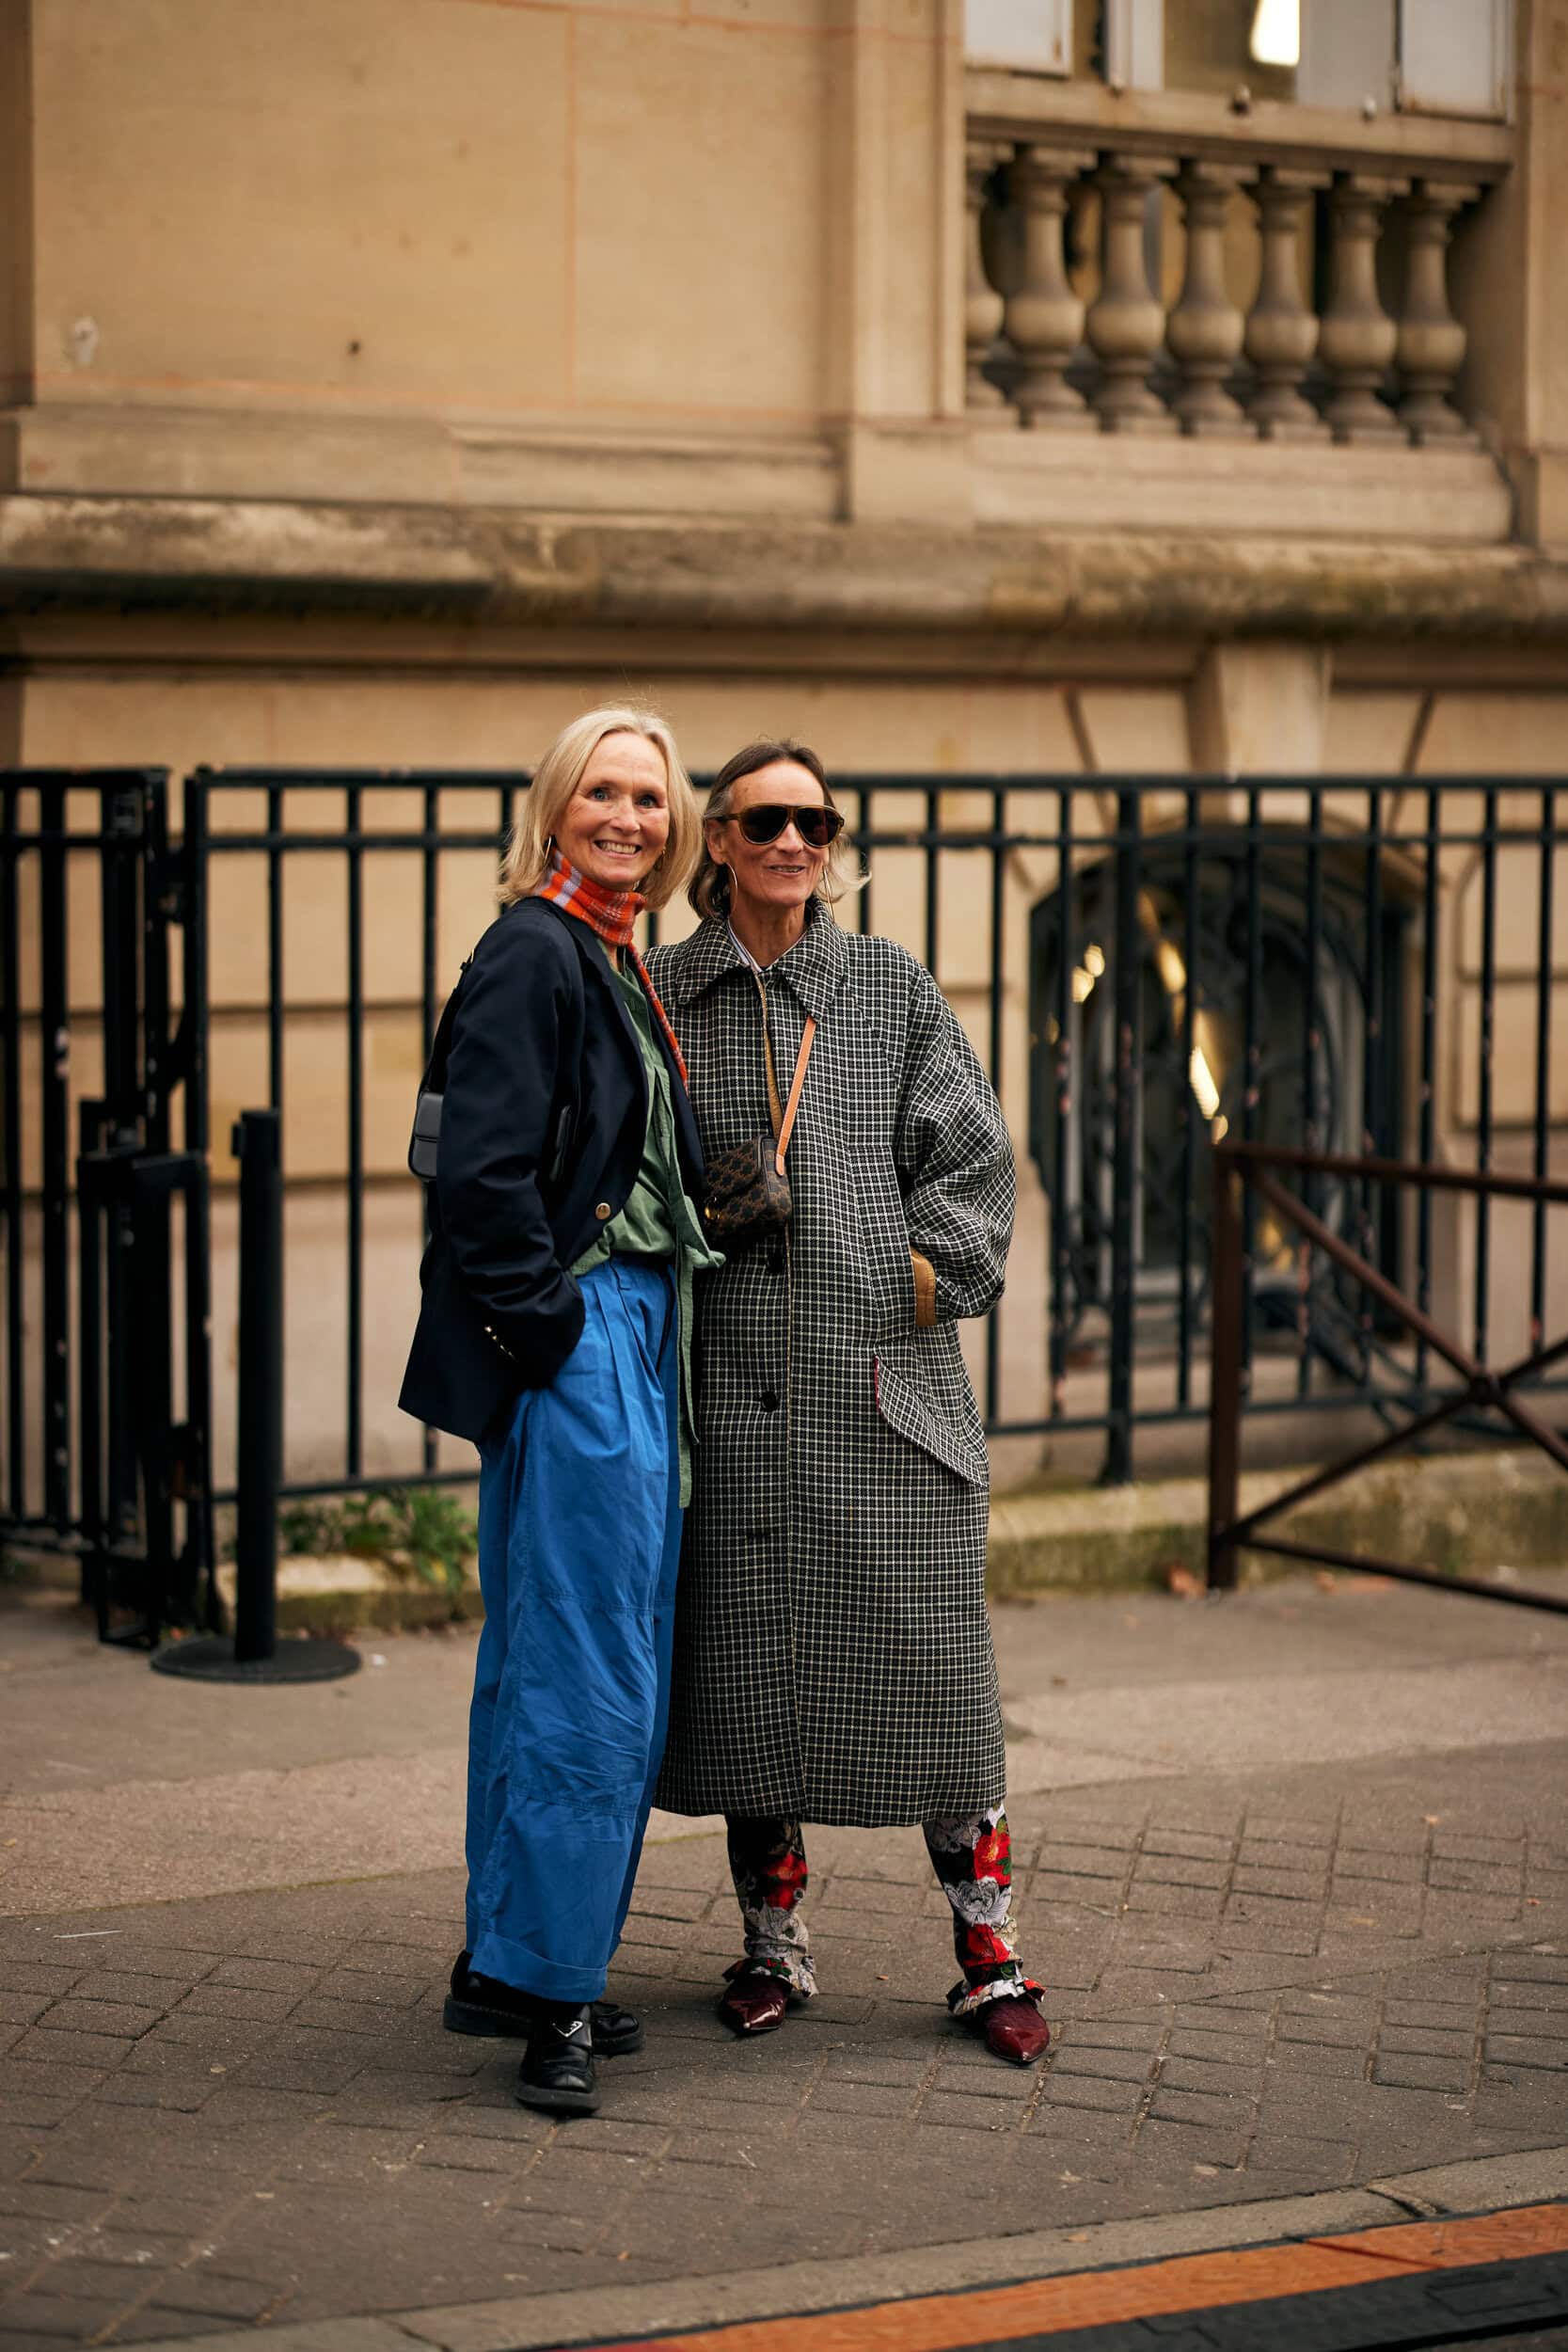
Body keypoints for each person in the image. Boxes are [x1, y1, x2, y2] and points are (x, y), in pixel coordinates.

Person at [647, 739, 1050, 2066]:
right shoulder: (663, 995)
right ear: (717, 838)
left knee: (940, 1686)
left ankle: (990, 1957)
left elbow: (977, 1171)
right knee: (748, 1675)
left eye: (815, 821)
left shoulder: (887, 988)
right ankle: (773, 1946)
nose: (793, 842)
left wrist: (903, 1280)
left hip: (883, 1399)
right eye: (765, 819)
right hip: (726, 1405)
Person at [399, 706, 719, 2117]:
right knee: (583, 1670)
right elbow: (477, 1176)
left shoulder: (613, 952)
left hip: (637, 1332)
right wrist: (555, 1329)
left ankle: (524, 1954)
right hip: (586, 1339)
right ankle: (550, 1993)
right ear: (557, 805)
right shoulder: (537, 946)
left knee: (589, 1654)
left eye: (652, 797)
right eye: (605, 791)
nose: (631, 817)